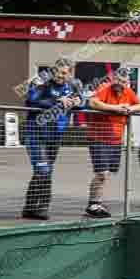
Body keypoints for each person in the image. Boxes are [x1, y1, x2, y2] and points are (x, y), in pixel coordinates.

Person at [22, 58, 82, 220]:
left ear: (70, 74)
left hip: (55, 135)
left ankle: (29, 208)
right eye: (57, 71)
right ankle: (42, 208)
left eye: (64, 73)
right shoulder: (41, 82)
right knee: (43, 169)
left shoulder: (73, 86)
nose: (60, 76)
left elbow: (83, 103)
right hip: (36, 134)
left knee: (44, 171)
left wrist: (77, 102)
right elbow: (30, 100)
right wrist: (56, 101)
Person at [84, 67, 140, 217]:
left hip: (115, 139)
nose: (121, 84)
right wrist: (116, 108)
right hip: (99, 137)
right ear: (113, 80)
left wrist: (129, 109)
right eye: (118, 80)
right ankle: (93, 204)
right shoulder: (105, 88)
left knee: (107, 173)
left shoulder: (127, 92)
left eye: (124, 82)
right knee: (102, 172)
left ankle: (96, 201)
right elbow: (93, 103)